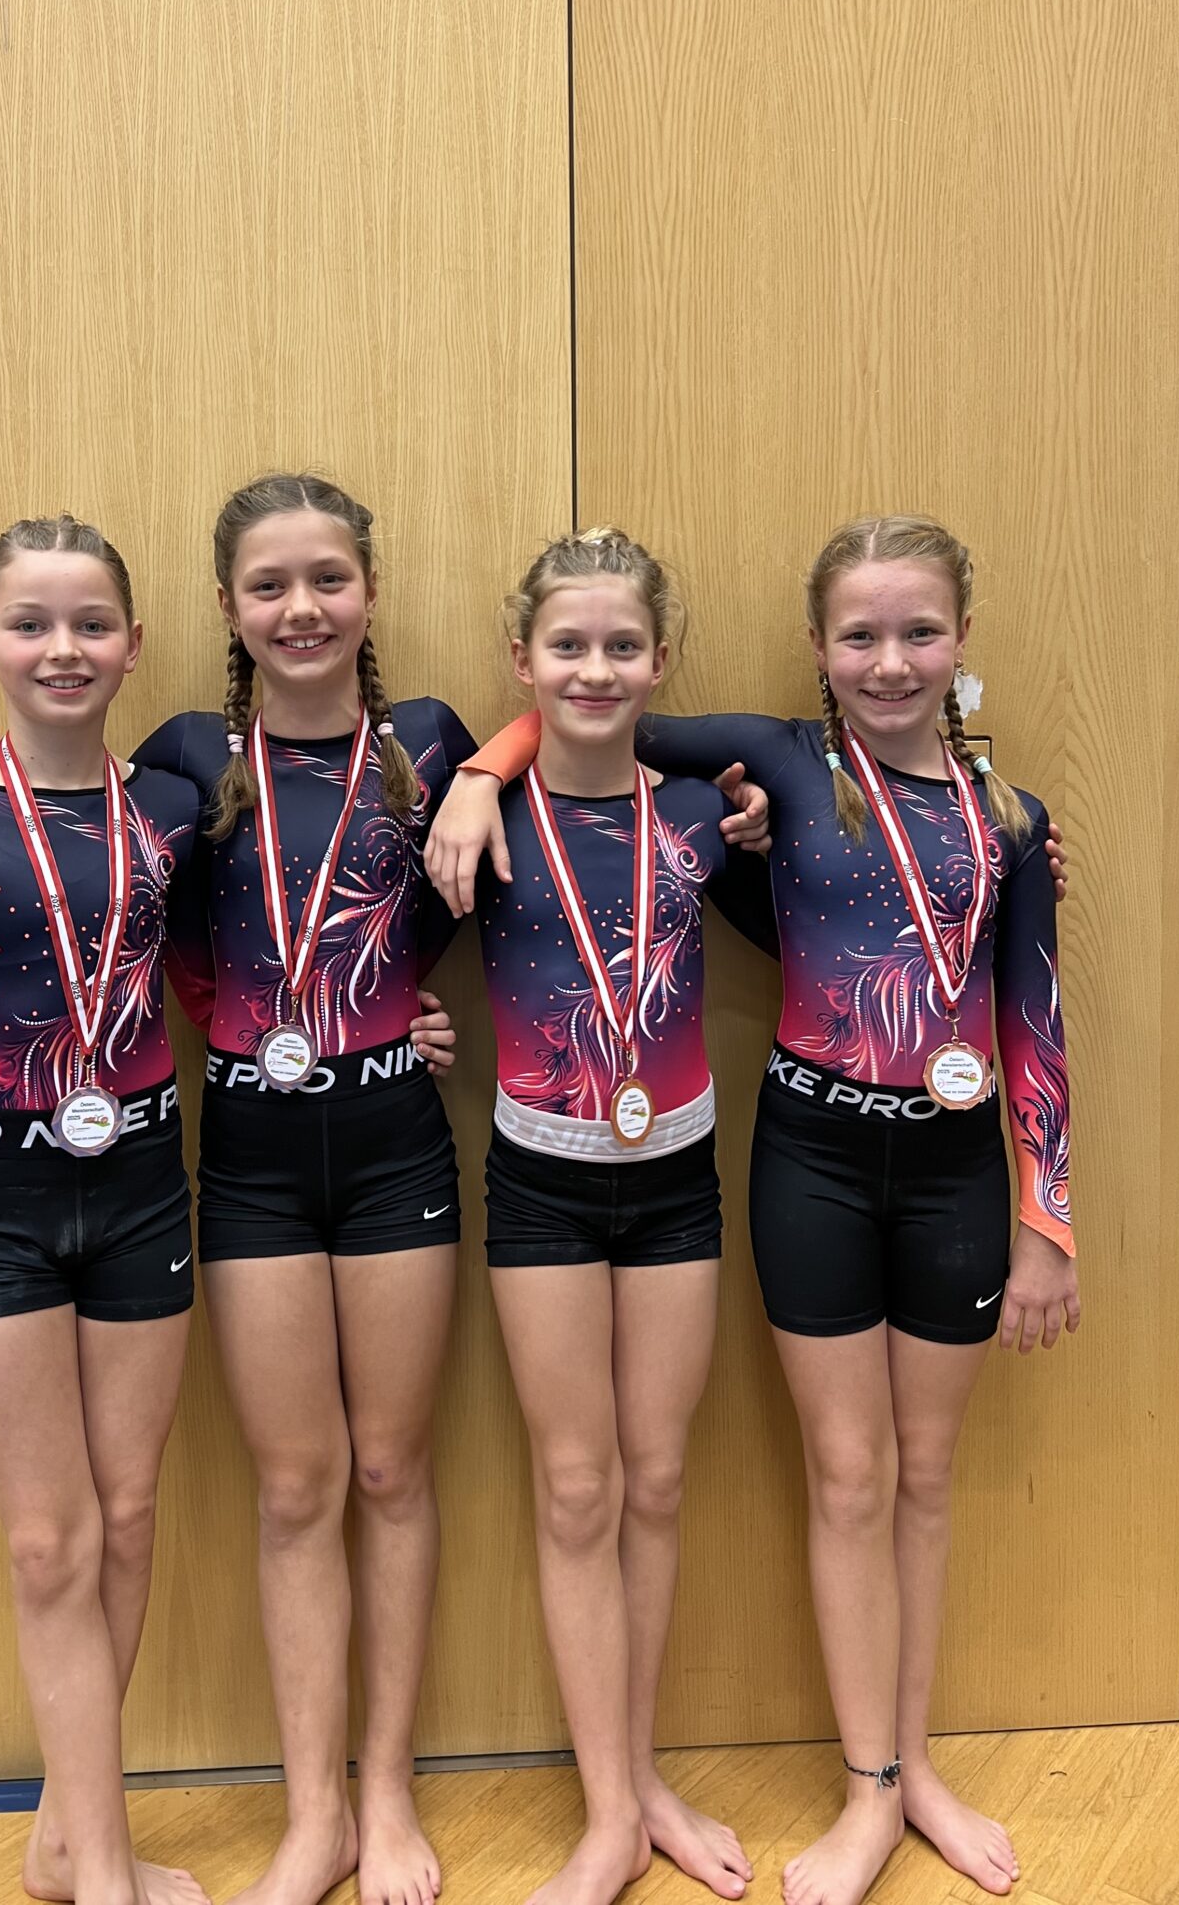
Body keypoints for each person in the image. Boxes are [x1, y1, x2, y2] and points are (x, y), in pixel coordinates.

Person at [0, 475, 769, 1905]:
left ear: (370, 593)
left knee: (392, 1473)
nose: (302, 609)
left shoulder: (430, 743)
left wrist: (485, 770)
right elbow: (138, 920)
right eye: (269, 586)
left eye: (329, 580)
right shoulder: (178, 764)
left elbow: (568, 721)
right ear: (225, 609)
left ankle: (385, 1796)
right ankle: (311, 1815)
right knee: (294, 1488)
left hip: (397, 1143)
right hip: (249, 1158)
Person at [426, 515, 1078, 1905]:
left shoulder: (1012, 824)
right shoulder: (774, 764)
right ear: (816, 646)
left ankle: (904, 1778)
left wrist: (1051, 1220)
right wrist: (481, 772)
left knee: (916, 1477)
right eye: (860, 635)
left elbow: (1034, 1018)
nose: (889, 660)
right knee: (829, 1477)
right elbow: (590, 714)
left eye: (919, 632)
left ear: (961, 640)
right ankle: (757, 1796)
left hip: (953, 1171)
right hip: (798, 1159)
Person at [0, 515, 210, 1905]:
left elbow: (212, 983)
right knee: (44, 1540)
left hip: (141, 1184)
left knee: (126, 1518)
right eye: (30, 623)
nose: (62, 648)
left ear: (132, 643)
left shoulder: (174, 808)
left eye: (90, 623)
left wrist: (387, 1013)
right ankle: (104, 1867)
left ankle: (71, 1845)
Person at [468, 530, 757, 1905]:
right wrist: (487, 769)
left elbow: (822, 900)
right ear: (523, 660)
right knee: (577, 1485)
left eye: (622, 646)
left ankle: (643, 1785)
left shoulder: (703, 815)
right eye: (568, 646)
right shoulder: (474, 819)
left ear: (660, 661)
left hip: (676, 1177)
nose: (596, 669)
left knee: (656, 1479)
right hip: (541, 1179)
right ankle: (604, 1816)